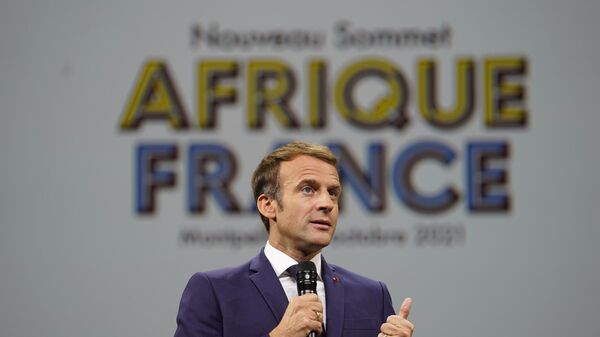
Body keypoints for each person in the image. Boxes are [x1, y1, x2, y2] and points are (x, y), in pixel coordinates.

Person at [174, 141, 415, 337]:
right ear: (268, 205)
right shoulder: (215, 291)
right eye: (308, 189)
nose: (327, 203)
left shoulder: (372, 295)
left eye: (333, 193)